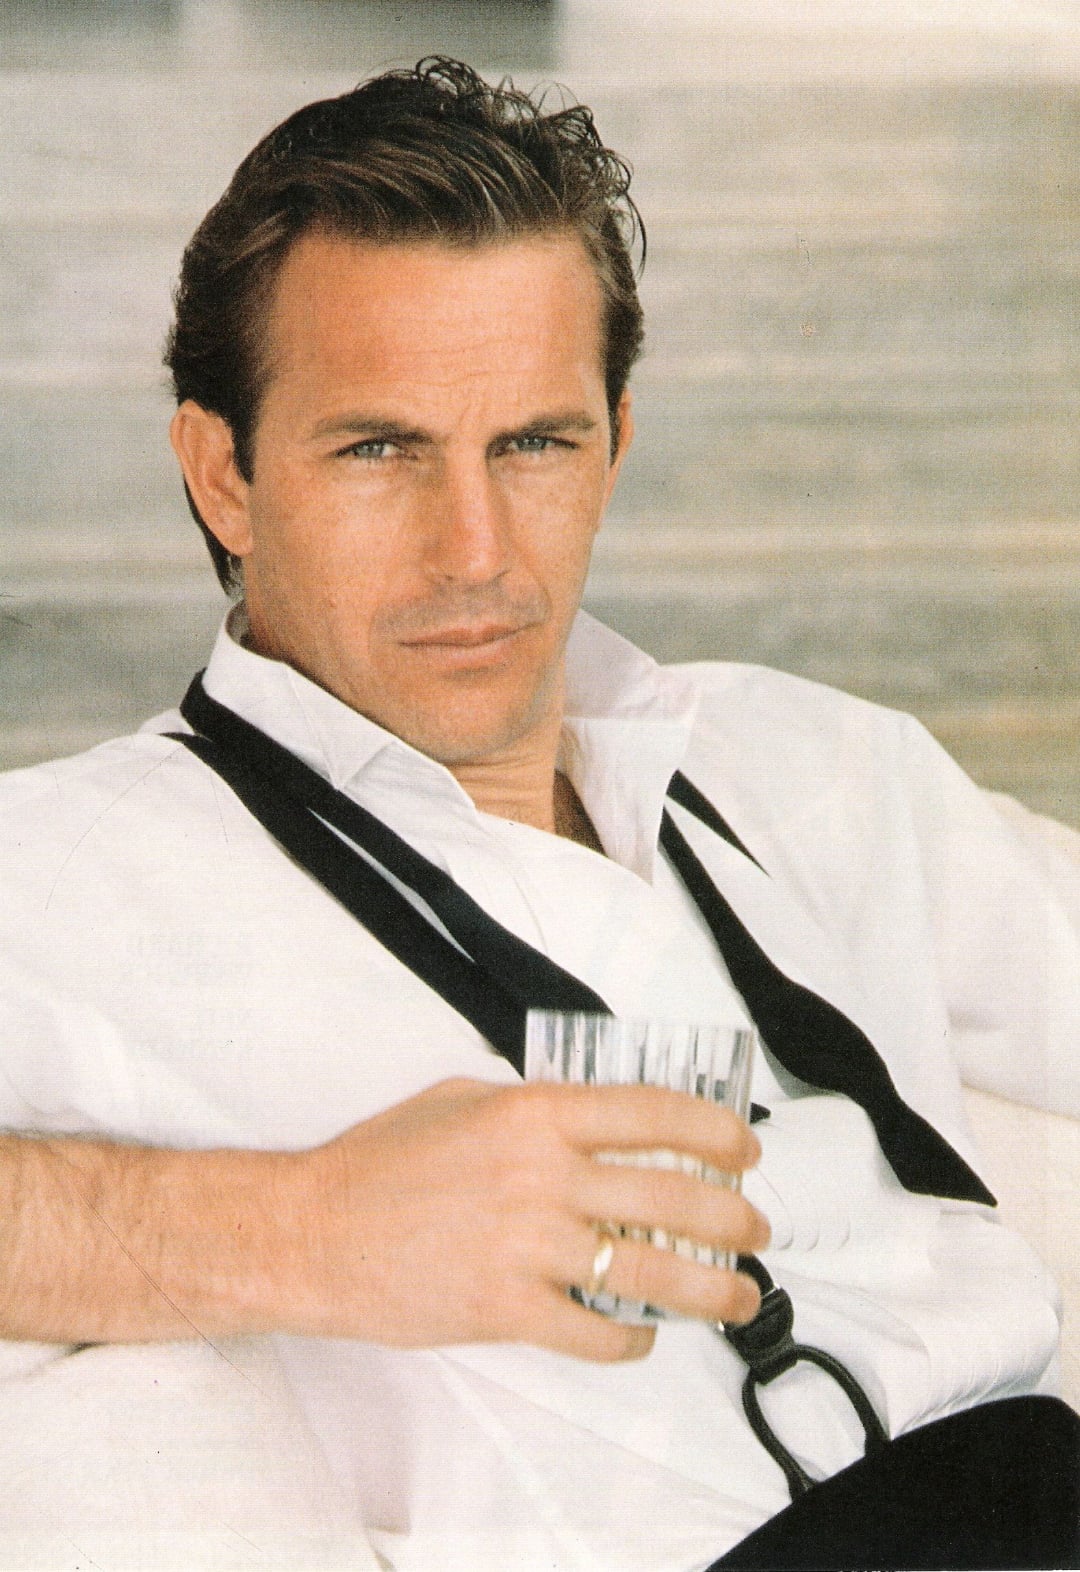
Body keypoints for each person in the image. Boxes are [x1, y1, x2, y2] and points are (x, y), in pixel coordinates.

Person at [0, 56, 1077, 1572]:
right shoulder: (62, 878)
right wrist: (300, 1231)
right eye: (380, 450)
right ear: (223, 475)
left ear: (617, 444)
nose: (475, 550)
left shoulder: (809, 766)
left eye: (535, 444)